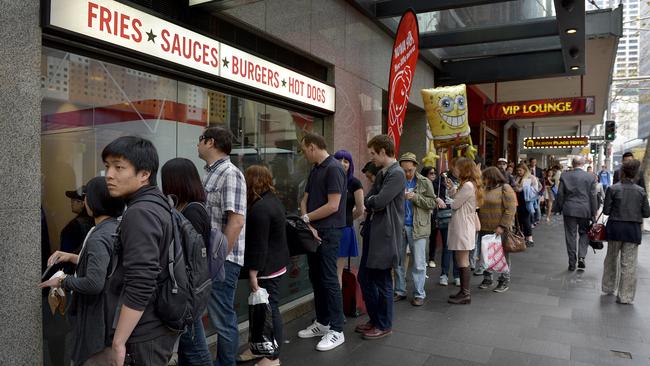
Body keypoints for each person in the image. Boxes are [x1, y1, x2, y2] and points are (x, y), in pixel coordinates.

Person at [102, 136, 178, 365]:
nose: (109, 175)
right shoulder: (160, 202)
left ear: (144, 174)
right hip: (157, 326)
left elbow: (142, 281)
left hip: (143, 332)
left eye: (119, 167)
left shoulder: (140, 213)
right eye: (107, 167)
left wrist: (118, 342)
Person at [40, 176, 125, 366]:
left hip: (97, 318)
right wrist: (73, 257)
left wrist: (62, 281)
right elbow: (105, 265)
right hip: (111, 314)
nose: (84, 200)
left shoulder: (99, 235)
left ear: (94, 201)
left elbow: (94, 283)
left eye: (87, 196)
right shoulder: (115, 227)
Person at [198, 127, 247, 366]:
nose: (197, 145)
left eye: (200, 140)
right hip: (212, 258)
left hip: (222, 260)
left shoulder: (230, 173)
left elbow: (236, 221)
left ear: (210, 142)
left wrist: (217, 260)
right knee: (217, 317)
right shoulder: (210, 173)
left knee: (223, 319)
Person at [297, 132, 347, 351]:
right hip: (314, 231)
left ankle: (337, 330)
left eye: (303, 149)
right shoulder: (316, 169)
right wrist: (308, 224)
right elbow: (304, 199)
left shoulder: (334, 168)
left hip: (329, 232)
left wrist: (307, 218)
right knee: (316, 278)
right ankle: (323, 322)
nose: (304, 154)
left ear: (312, 147)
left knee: (328, 279)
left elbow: (334, 205)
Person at [160, 158, 212, 366]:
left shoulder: (192, 212)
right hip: (190, 290)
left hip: (188, 292)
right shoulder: (190, 208)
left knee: (197, 352)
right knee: (188, 351)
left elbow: (189, 257)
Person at [355, 134, 405, 339]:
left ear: (384, 151)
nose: (372, 157)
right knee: (365, 277)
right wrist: (372, 201)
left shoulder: (396, 173)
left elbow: (379, 200)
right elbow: (369, 199)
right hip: (375, 232)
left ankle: (383, 324)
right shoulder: (386, 172)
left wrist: (372, 201)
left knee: (382, 280)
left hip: (385, 234)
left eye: (374, 153)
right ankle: (375, 319)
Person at [244, 165, 290, 365]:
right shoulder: (274, 201)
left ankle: (272, 358)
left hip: (267, 268)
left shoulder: (260, 209)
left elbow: (259, 245)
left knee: (270, 310)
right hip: (278, 263)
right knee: (272, 309)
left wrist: (253, 273)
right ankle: (267, 352)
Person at [394, 153, 442, 306]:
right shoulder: (396, 181)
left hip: (419, 227)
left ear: (415, 167)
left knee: (419, 263)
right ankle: (400, 290)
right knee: (398, 261)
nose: (407, 173)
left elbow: (431, 203)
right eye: (404, 170)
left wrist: (415, 197)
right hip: (400, 226)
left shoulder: (425, 182)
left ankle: (419, 293)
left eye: (409, 170)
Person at [602, 159, 650, 304]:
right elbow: (647, 213)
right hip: (632, 230)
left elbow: (606, 210)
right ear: (636, 175)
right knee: (629, 264)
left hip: (615, 228)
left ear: (622, 172)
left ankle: (609, 287)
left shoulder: (613, 189)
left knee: (611, 259)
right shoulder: (641, 191)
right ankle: (625, 296)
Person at [446, 157, 483, 305]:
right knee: (462, 259)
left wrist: (446, 201)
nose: (453, 169)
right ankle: (463, 291)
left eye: (456, 167)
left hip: (463, 225)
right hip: (464, 224)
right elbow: (456, 197)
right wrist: (451, 188)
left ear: (463, 168)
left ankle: (465, 294)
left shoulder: (467, 185)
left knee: (462, 260)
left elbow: (455, 204)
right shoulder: (469, 184)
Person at [555, 156, 598, 272]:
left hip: (569, 209)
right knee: (584, 233)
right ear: (583, 164)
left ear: (573, 164)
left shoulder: (565, 176)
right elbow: (593, 196)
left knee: (570, 236)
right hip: (585, 210)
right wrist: (594, 212)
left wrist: (558, 208)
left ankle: (572, 263)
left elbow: (560, 195)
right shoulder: (590, 176)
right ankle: (582, 257)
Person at [477, 167, 516, 293]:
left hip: (500, 229)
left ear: (492, 177)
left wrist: (502, 226)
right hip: (484, 227)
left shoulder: (505, 188)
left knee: (502, 255)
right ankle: (487, 278)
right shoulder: (485, 189)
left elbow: (510, 209)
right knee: (485, 254)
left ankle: (504, 280)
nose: (484, 180)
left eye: (485, 177)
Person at [333, 150, 364, 287]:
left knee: (337, 271)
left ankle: (336, 307)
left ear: (350, 165)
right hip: (326, 229)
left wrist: (347, 218)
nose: (342, 163)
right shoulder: (329, 180)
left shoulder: (354, 183)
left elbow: (360, 209)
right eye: (339, 160)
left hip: (344, 229)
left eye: (346, 161)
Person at [60, 186, 94, 255]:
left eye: (73, 200)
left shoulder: (74, 226)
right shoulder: (95, 221)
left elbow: (66, 252)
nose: (71, 203)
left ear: (82, 203)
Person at [513, 163, 540, 247]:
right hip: (517, 201)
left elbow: (535, 189)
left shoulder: (530, 177)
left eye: (520, 170)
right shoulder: (516, 177)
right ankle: (522, 237)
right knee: (519, 220)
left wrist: (520, 189)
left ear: (525, 170)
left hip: (526, 201)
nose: (519, 172)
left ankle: (529, 239)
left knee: (526, 220)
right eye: (517, 170)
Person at [528, 158, 544, 226]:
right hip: (529, 191)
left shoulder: (539, 170)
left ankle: (536, 219)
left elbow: (542, 179)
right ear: (530, 162)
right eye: (533, 162)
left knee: (536, 206)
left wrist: (538, 179)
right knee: (531, 206)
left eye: (535, 162)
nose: (534, 163)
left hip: (537, 190)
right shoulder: (527, 169)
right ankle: (533, 220)